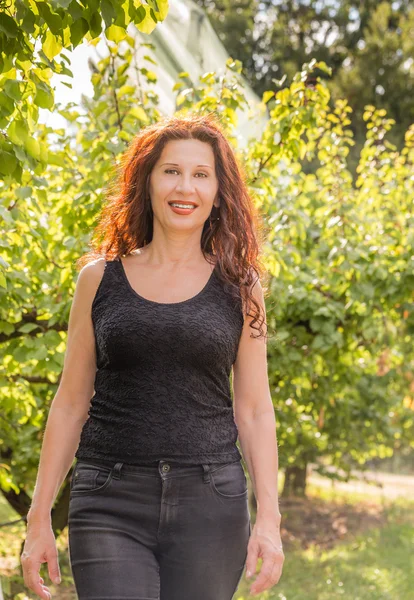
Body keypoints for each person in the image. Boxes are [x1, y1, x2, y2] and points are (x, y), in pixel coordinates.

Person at [21, 112, 284, 600]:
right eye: (171, 171)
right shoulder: (99, 279)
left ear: (218, 192)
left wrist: (269, 517)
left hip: (212, 500)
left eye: (201, 174)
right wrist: (39, 519)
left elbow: (254, 408)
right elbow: (70, 402)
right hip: (108, 499)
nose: (185, 187)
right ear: (147, 182)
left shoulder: (241, 287)